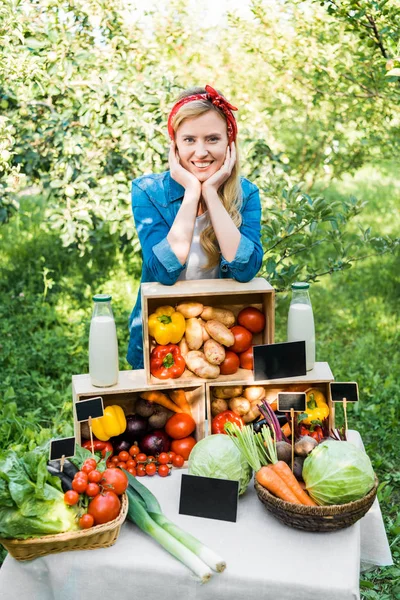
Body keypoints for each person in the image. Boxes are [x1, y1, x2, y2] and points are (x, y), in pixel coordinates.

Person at [127, 85, 263, 368]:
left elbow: (245, 269)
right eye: (189, 139)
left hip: (223, 339)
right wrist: (192, 192)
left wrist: (211, 193)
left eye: (212, 139)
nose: (200, 152)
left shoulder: (246, 194)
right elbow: (163, 272)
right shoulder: (147, 191)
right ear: (174, 145)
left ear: (230, 144)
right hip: (161, 335)